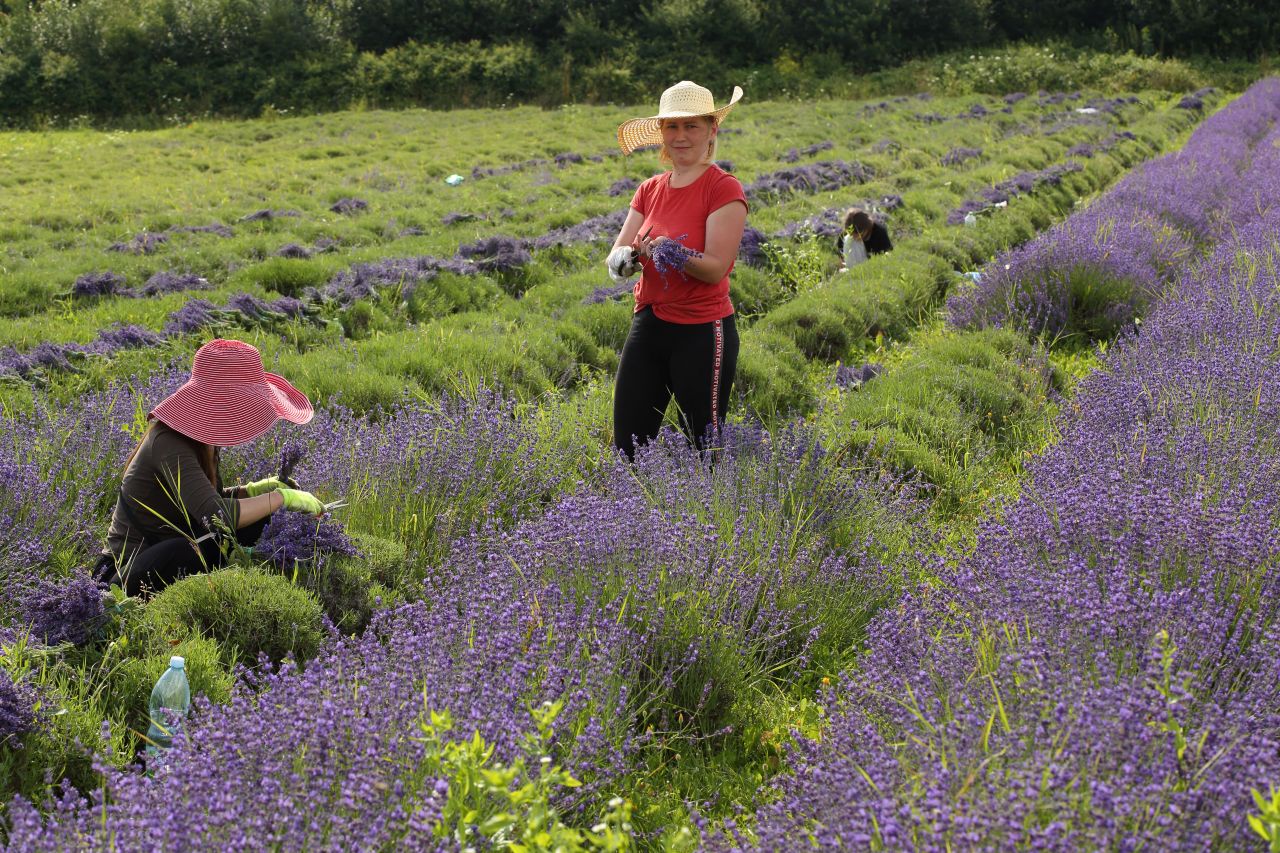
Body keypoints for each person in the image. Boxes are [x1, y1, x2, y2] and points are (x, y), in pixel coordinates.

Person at [93, 338, 327, 596]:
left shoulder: (202, 440)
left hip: (174, 547)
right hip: (123, 573)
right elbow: (213, 515)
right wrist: (282, 497)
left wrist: (254, 490)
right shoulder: (169, 441)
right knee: (192, 551)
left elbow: (203, 501)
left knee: (268, 520)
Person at [606, 80, 749, 461]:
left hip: (702, 332)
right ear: (661, 133)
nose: (681, 136)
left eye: (692, 126)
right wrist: (623, 260)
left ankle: (711, 517)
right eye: (672, 127)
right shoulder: (649, 189)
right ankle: (634, 518)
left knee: (706, 450)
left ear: (711, 130)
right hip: (650, 324)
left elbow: (716, 269)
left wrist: (673, 252)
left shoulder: (723, 189)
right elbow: (624, 248)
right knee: (629, 447)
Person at [836, 207, 892, 271]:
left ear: (866, 229)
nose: (855, 238)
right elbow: (841, 259)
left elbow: (887, 253)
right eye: (852, 235)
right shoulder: (846, 235)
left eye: (857, 235)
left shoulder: (879, 232)